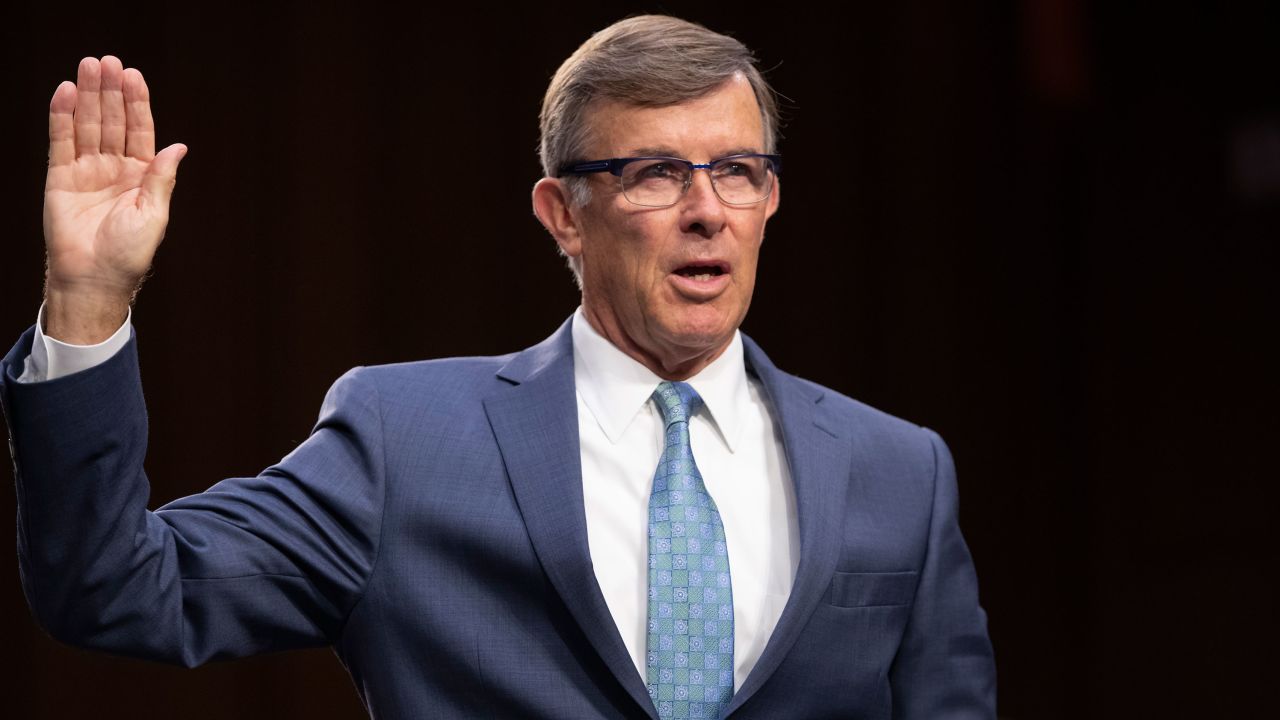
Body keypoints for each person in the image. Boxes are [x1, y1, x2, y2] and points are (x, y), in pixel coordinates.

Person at [0, 15, 996, 720]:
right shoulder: (407, 441)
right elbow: (115, 590)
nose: (707, 210)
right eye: (654, 172)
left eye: (737, 171)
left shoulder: (897, 469)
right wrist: (88, 303)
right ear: (562, 214)